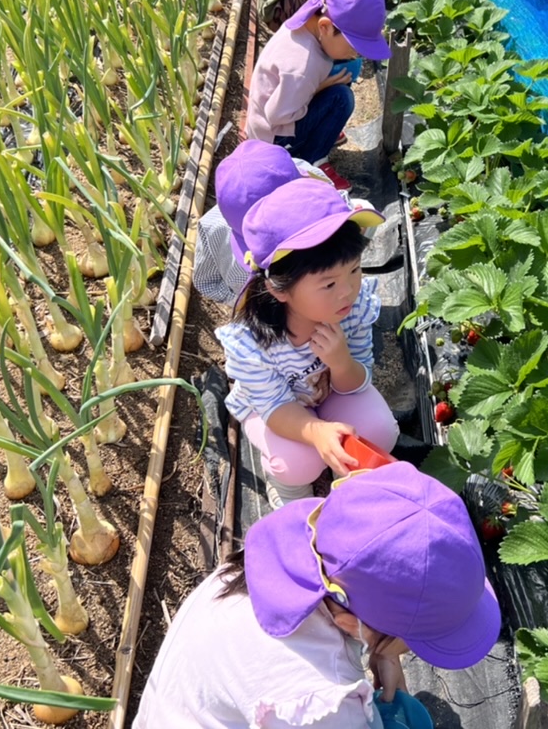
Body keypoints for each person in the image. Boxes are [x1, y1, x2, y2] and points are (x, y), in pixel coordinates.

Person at [132, 462, 502, 728]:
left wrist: (385, 651)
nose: (413, 651)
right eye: (418, 641)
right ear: (351, 622)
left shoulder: (289, 559)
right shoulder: (323, 705)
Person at [215, 177, 399, 509]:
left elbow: (358, 380)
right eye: (328, 284)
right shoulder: (252, 343)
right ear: (279, 289)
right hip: (276, 411)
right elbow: (274, 407)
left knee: (380, 431)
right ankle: (290, 492)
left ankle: (346, 477)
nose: (348, 291)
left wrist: (341, 362)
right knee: (298, 462)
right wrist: (316, 431)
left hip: (330, 393)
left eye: (354, 270)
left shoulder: (353, 310)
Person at [245, 0, 389, 188]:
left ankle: (317, 133)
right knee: (341, 98)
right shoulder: (302, 65)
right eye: (354, 47)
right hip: (273, 141)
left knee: (341, 79)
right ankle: (311, 162)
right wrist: (319, 87)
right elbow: (277, 115)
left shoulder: (312, 15)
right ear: (325, 27)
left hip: (275, 115)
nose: (355, 54)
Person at [192, 140, 379, 305]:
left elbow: (205, 282)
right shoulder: (299, 172)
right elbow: (206, 282)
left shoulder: (213, 224)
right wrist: (246, 304)